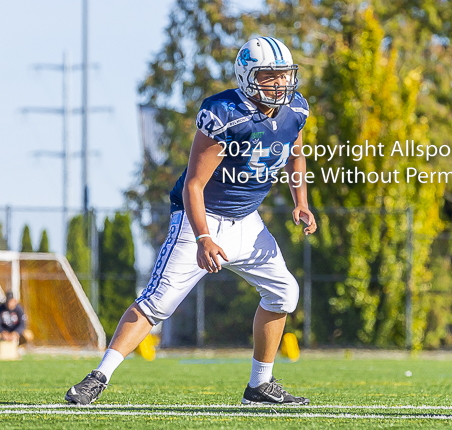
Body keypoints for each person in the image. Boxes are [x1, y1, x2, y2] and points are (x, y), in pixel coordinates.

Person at [65, 36, 317, 406]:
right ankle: (98, 377)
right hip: (203, 216)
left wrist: (301, 201)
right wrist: (202, 238)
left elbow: (295, 153)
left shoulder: (295, 109)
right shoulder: (225, 113)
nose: (279, 84)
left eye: (283, 75)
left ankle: (259, 386)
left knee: (284, 293)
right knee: (157, 303)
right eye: (269, 75)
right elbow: (194, 185)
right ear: (248, 76)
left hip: (246, 220)